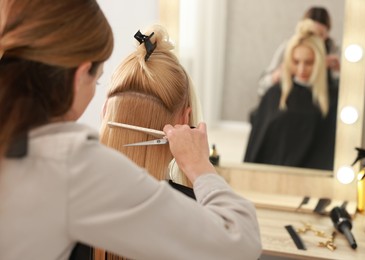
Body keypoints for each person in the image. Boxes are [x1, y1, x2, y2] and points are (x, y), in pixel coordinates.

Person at [0, 1, 261, 260]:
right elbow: (241, 242)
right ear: (80, 76)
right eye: (97, 78)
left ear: (107, 111)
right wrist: (199, 165)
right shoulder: (71, 164)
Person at [96, 25, 203, 259]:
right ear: (185, 121)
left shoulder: (70, 197)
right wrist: (202, 170)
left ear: (105, 112)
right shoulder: (199, 216)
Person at [244, 18, 338, 170]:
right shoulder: (274, 94)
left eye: (309, 62)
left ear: (320, 62)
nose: (301, 69)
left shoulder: (332, 98)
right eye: (296, 61)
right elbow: (256, 148)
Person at [257, 6, 340, 96]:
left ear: (327, 33)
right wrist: (275, 76)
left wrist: (339, 71)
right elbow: (262, 87)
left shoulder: (335, 52)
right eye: (311, 33)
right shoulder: (288, 48)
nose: (315, 40)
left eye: (320, 35)